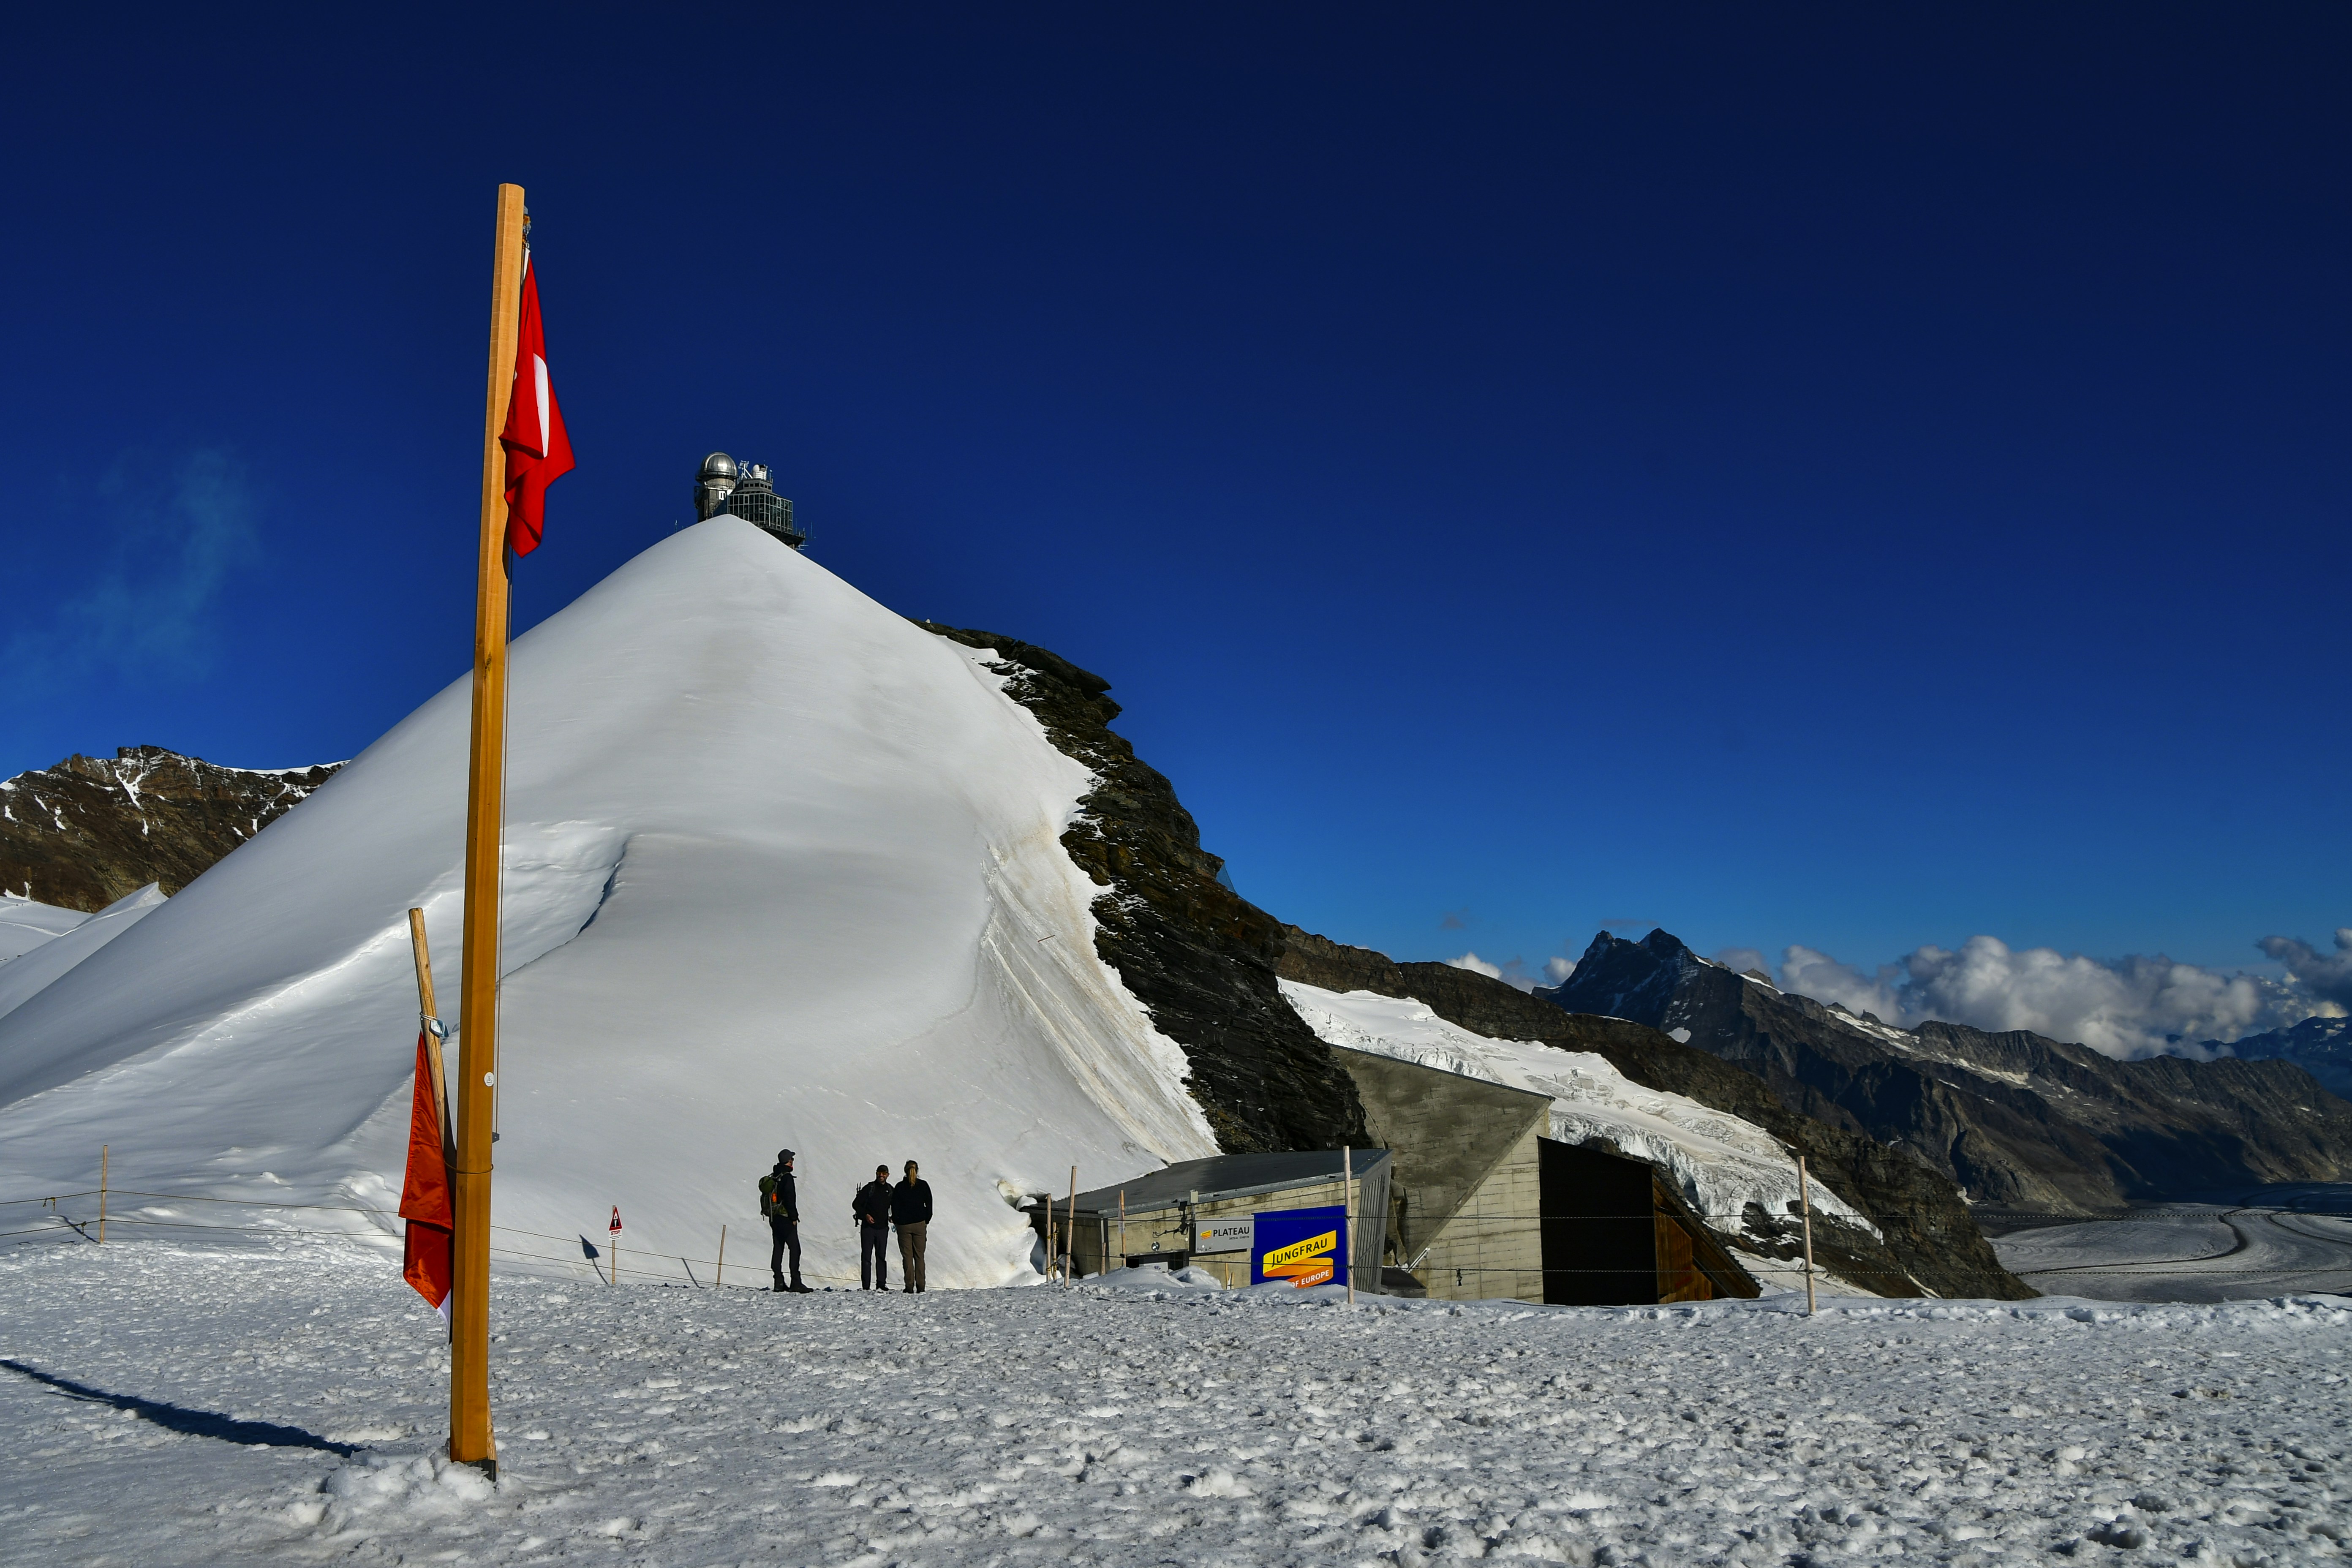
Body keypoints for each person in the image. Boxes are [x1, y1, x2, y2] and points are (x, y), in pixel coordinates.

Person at [760, 1149, 809, 1293]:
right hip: (785, 1218)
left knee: (778, 1248)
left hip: (774, 1218)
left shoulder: (775, 1175)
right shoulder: (786, 1177)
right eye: (792, 1159)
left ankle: (779, 1282)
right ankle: (796, 1283)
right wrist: (794, 1217)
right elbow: (790, 1199)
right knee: (795, 1249)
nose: (793, 1161)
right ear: (789, 1160)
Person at [892, 1158, 934, 1293]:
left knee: (907, 1257)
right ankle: (921, 1286)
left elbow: (895, 1207)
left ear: (905, 1171)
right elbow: (929, 1205)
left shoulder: (899, 1187)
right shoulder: (923, 1185)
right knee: (920, 1256)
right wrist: (926, 1220)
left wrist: (897, 1221)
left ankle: (909, 1286)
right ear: (917, 1170)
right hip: (920, 1224)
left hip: (904, 1225)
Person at [853, 1164, 894, 1290]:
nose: (881, 1175)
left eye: (884, 1173)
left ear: (887, 1175)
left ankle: (881, 1284)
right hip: (868, 1228)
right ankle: (866, 1286)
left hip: (883, 1228)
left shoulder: (890, 1190)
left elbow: (896, 1206)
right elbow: (856, 1204)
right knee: (867, 1257)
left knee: (881, 1257)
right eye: (879, 1173)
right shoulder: (870, 1188)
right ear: (876, 1173)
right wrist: (866, 1215)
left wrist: (894, 1218)